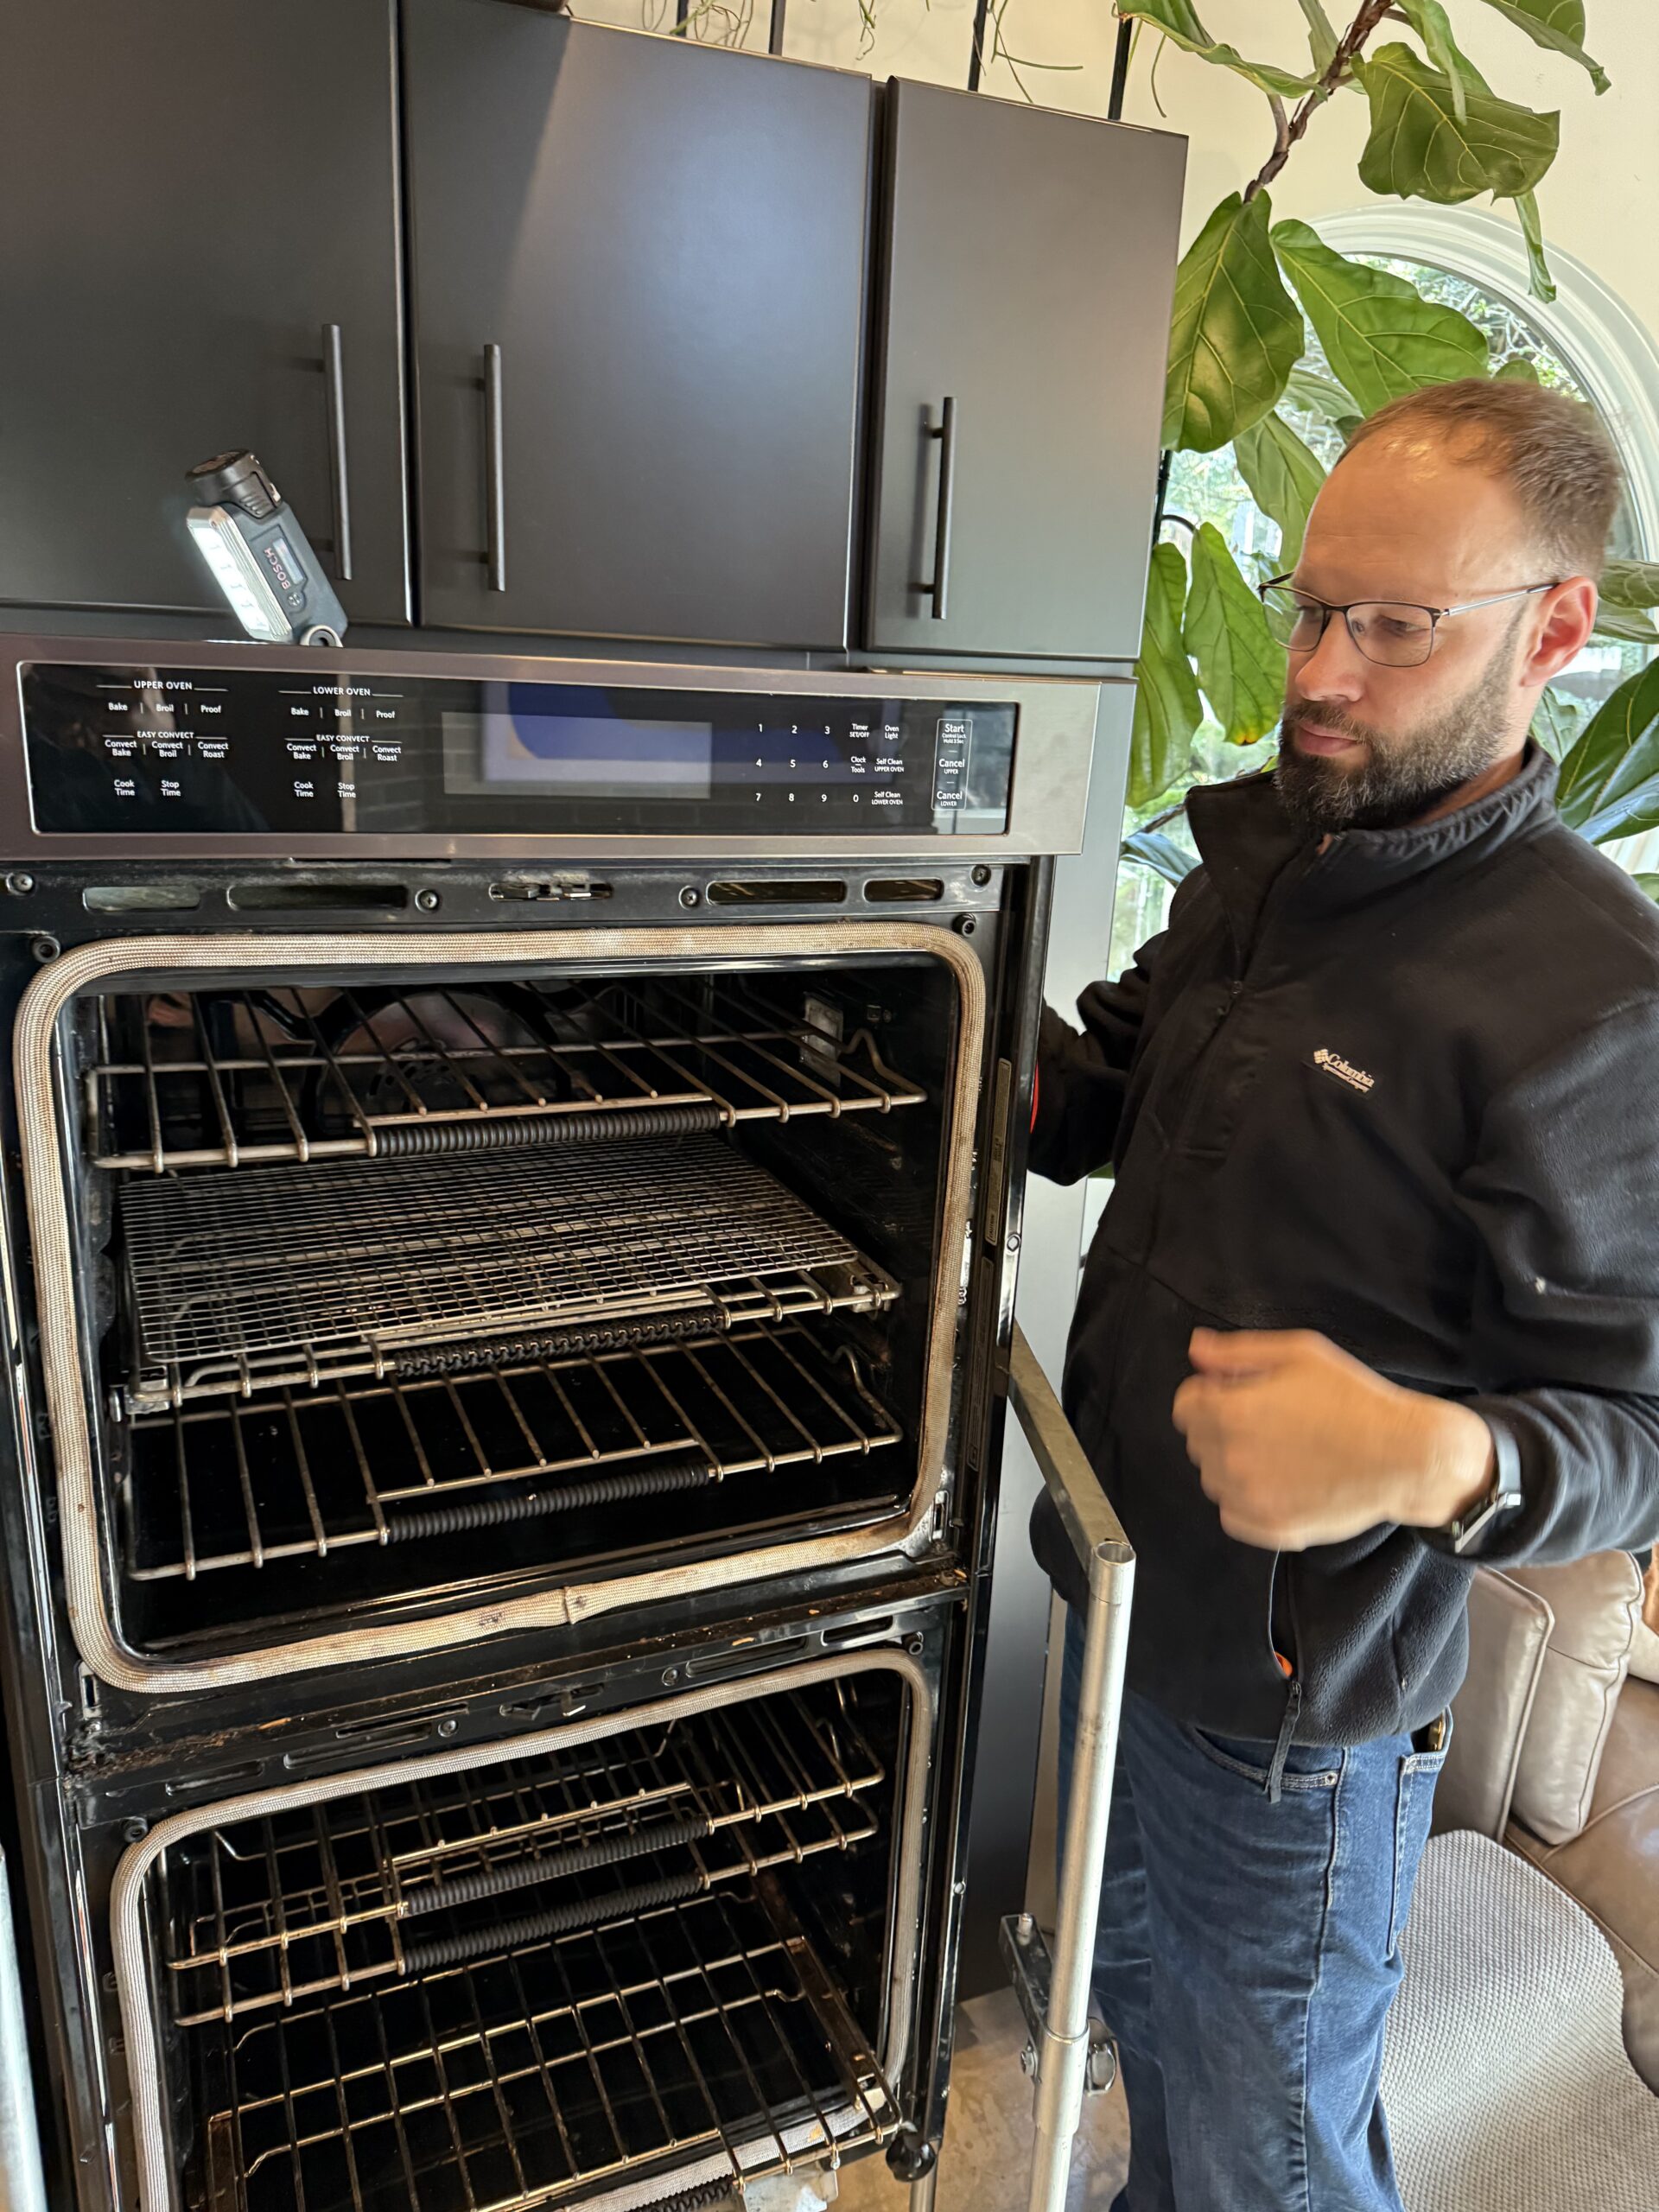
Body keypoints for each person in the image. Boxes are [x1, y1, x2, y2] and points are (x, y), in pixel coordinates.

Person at [1030, 378, 1659, 2212]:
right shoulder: (1275, 859)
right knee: (1138, 2014)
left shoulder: (1597, 998)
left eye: (1395, 626)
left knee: (1276, 2152)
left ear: (1554, 626)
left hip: (1297, 1722)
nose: (1318, 672)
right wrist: (941, 1042)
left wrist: (1418, 1453)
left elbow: (1641, 1428)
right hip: (1116, 1591)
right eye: (1314, 608)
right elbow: (1114, 1084)